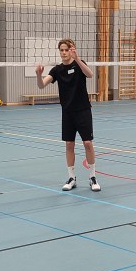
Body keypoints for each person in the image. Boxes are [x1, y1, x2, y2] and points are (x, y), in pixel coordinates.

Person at [35, 39, 101, 192]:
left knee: (88, 143)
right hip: (67, 112)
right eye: (62, 50)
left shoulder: (79, 64)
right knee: (69, 145)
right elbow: (41, 85)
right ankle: (72, 178)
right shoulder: (57, 70)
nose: (64, 53)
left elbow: (90, 74)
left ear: (72, 50)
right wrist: (39, 75)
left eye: (67, 50)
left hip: (83, 110)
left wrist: (77, 59)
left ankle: (92, 177)